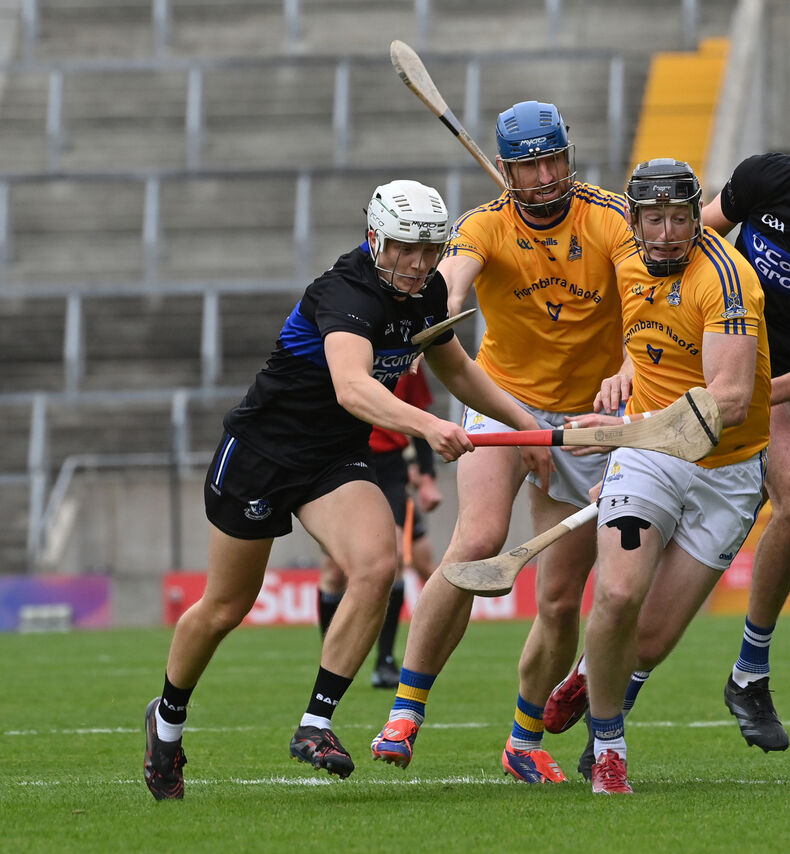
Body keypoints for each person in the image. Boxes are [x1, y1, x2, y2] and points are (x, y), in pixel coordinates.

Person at [141, 179, 551, 800]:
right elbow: (352, 388)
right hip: (261, 455)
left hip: (332, 459)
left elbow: (457, 368)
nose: (418, 264)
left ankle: (316, 725)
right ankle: (167, 721)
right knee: (226, 606)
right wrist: (431, 426)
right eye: (405, 249)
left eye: (430, 249)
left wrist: (528, 428)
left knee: (376, 565)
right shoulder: (344, 294)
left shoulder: (429, 291)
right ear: (375, 239)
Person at [545, 100, 790, 768]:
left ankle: (743, 672)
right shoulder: (767, 177)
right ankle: (712, 687)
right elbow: (678, 245)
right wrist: (637, 358)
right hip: (708, 358)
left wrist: (754, 393)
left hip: (777, 387)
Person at [368, 101, 632, 784]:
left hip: (585, 423)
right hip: (501, 403)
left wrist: (630, 366)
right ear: (506, 168)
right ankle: (405, 712)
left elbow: (647, 296)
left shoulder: (610, 217)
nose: (544, 177)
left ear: (569, 155)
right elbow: (453, 278)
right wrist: (434, 321)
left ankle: (523, 739)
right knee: (477, 542)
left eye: (553, 160)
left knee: (556, 600)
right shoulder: (483, 225)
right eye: (528, 164)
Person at [563, 158, 772, 794]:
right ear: (635, 219)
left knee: (647, 643)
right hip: (650, 455)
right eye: (653, 217)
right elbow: (638, 320)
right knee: (619, 596)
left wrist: (625, 430)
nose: (667, 232)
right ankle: (608, 746)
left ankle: (591, 670)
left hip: (727, 471)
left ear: (694, 215)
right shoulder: (622, 257)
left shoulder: (728, 281)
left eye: (679, 217)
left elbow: (730, 400)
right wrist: (625, 370)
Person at [316, 364, 443, 690]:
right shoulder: (340, 348)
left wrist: (427, 477)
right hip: (341, 459)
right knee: (334, 571)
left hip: (389, 466)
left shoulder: (408, 358)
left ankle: (384, 660)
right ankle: (330, 656)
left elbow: (421, 415)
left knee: (397, 559)